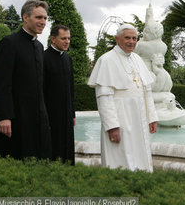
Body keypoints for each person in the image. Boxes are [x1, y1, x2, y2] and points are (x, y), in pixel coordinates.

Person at [0, 0, 52, 160]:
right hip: (15, 116)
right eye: (38, 17)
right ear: (25, 17)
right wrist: (4, 116)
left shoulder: (38, 46)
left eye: (44, 18)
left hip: (36, 117)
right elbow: (2, 84)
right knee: (10, 163)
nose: (43, 22)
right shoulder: (9, 43)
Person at [87, 24, 158, 171]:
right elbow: (104, 98)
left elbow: (147, 91)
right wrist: (112, 126)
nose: (131, 41)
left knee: (140, 154)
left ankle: (141, 183)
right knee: (120, 158)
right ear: (117, 39)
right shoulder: (106, 60)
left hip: (139, 120)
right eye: (127, 38)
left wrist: (152, 117)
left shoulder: (137, 59)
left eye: (134, 38)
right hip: (121, 120)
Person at [43, 24, 75, 165]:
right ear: (53, 39)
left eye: (68, 38)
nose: (67, 41)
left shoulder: (68, 59)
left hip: (66, 113)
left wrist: (72, 113)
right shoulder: (43, 58)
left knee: (67, 147)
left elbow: (71, 89)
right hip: (50, 113)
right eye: (63, 38)